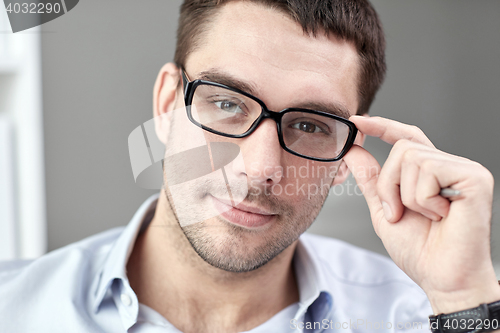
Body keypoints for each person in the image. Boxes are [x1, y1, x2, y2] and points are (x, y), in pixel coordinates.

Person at [1, 0, 499, 332]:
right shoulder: (14, 308)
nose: (260, 167)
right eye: (228, 103)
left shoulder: (425, 316)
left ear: (349, 154)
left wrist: (464, 298)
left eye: (310, 125)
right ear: (167, 102)